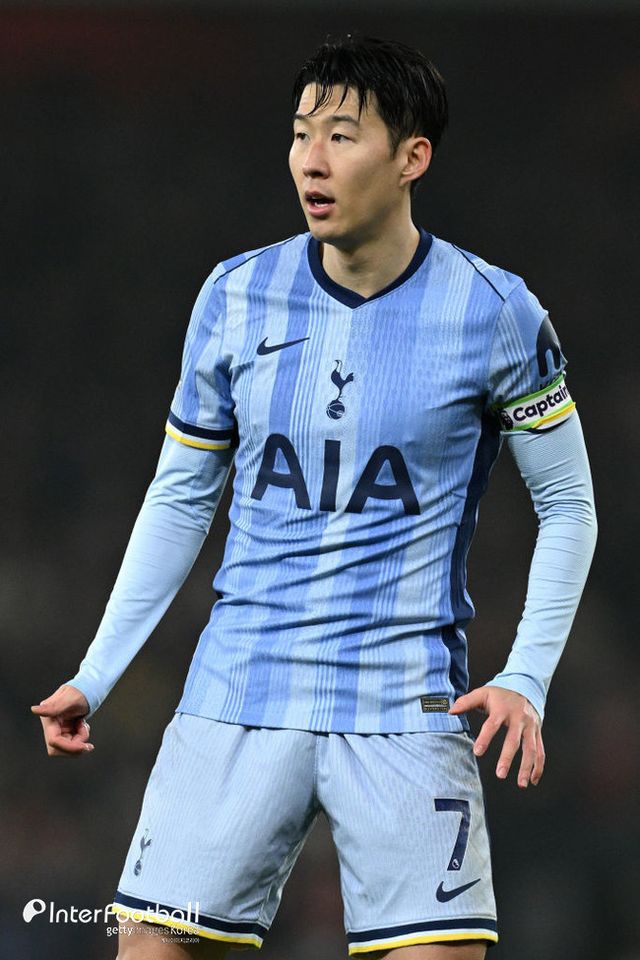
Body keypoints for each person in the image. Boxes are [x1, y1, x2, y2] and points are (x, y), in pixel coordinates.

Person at [32, 34, 597, 960]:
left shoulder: (494, 313)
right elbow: (181, 497)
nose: (311, 160)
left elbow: (569, 505)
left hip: (406, 707)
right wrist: (95, 674)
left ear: (413, 156)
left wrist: (525, 676)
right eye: (301, 134)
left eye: (342, 135)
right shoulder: (236, 296)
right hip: (237, 694)